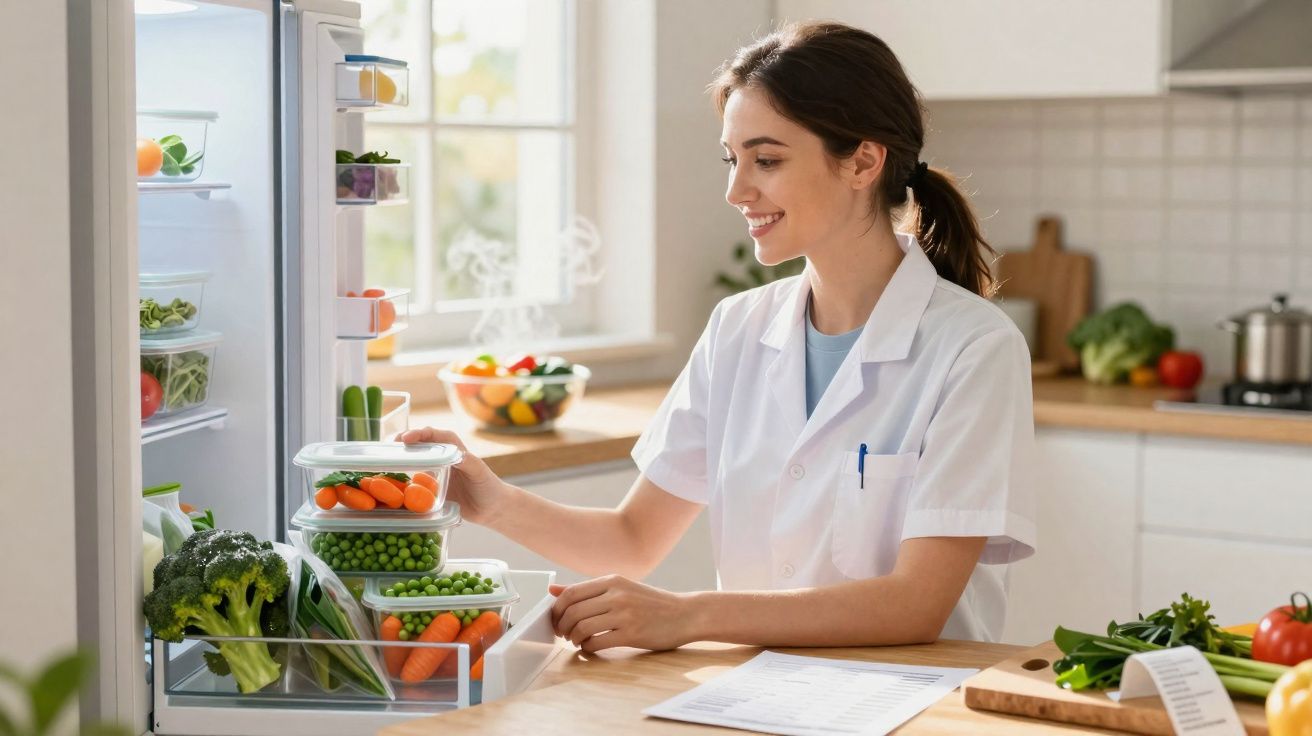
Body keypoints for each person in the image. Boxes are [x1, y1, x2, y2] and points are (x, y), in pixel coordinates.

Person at [402, 21, 1036, 652]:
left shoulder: (974, 348)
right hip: (752, 696)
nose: (736, 190)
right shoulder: (739, 328)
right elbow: (630, 539)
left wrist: (689, 616)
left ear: (863, 161)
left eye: (767, 160)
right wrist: (492, 502)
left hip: (912, 704)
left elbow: (915, 605)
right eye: (732, 160)